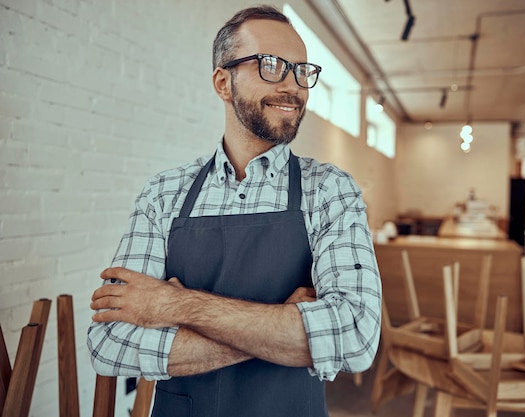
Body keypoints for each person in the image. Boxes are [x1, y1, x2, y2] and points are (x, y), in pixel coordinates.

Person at [87, 5, 381, 417]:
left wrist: (174, 305)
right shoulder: (164, 193)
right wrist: (282, 326)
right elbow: (108, 344)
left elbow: (355, 336)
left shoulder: (330, 190)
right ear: (223, 82)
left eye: (301, 70)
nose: (293, 86)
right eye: (272, 65)